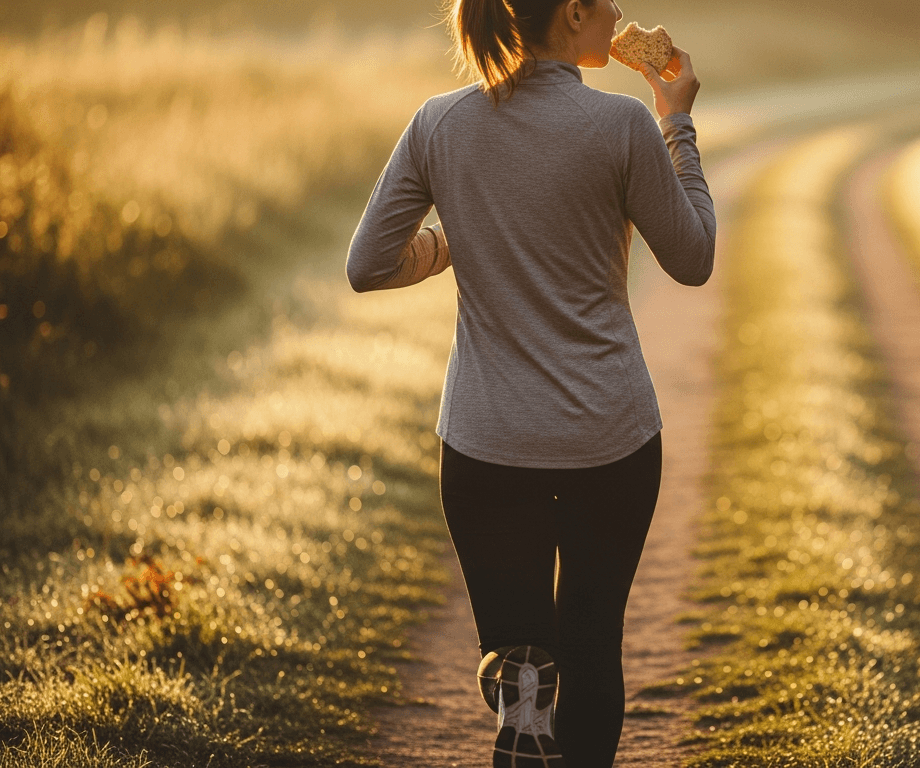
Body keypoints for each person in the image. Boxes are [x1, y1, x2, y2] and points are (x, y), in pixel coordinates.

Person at [344, 0, 713, 765]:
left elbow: (368, 265)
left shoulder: (439, 122)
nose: (620, 12)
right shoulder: (621, 126)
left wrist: (454, 241)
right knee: (592, 646)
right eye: (605, 1)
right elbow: (693, 257)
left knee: (524, 644)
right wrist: (675, 121)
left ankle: (519, 684)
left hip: (487, 445)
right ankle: (549, 711)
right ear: (574, 13)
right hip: (609, 441)